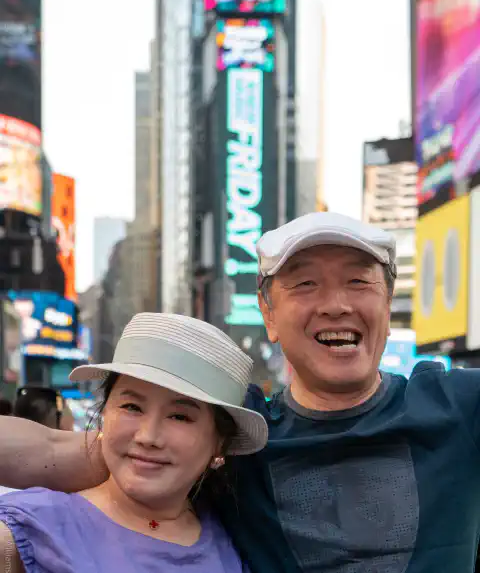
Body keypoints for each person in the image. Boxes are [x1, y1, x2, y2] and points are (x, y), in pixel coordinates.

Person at [0, 213, 480, 571]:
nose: (335, 304)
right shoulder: (237, 430)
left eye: (358, 281)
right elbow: (59, 450)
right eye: (305, 284)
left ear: (388, 303)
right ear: (268, 315)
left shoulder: (457, 404)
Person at [0, 312, 266, 572]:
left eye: (179, 417)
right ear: (105, 412)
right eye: (132, 407)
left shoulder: (239, 538)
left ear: (220, 441)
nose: (148, 437)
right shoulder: (35, 528)